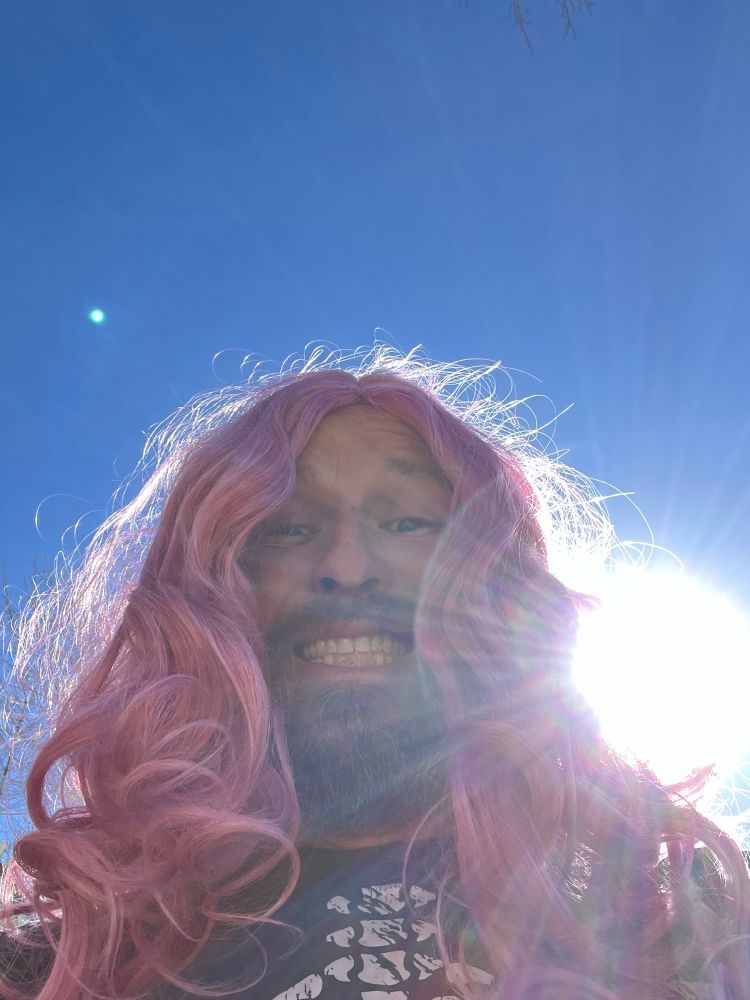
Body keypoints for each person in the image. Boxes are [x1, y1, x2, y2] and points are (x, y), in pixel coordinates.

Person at [1, 345, 748, 1000]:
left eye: (406, 523)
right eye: (288, 529)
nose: (349, 568)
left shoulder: (675, 908)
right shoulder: (63, 954)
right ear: (209, 590)